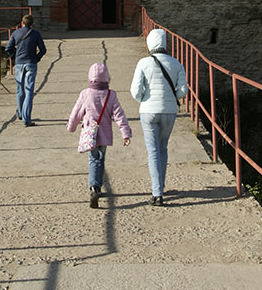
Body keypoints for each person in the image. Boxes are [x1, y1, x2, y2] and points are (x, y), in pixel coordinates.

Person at [130, 28, 188, 206]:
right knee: (163, 148)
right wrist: (172, 99)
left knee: (153, 151)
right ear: (164, 43)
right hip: (170, 111)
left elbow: (135, 91)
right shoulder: (177, 64)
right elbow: (183, 90)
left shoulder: (143, 63)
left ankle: (157, 193)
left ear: (149, 43)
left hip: (148, 111)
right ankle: (160, 186)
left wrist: (143, 100)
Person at [67, 62, 131, 208]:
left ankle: (94, 187)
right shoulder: (111, 94)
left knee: (93, 159)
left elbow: (76, 112)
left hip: (90, 133)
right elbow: (119, 115)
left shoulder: (85, 93)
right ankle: (98, 185)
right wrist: (125, 133)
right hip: (105, 134)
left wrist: (71, 127)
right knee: (100, 159)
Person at [5, 14, 46, 126]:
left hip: (19, 64)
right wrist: (36, 58)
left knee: (20, 89)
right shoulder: (36, 34)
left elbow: (8, 48)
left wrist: (14, 58)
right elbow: (43, 50)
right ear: (32, 24)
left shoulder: (15, 33)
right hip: (31, 63)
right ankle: (26, 118)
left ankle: (20, 113)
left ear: (22, 23)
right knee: (29, 91)